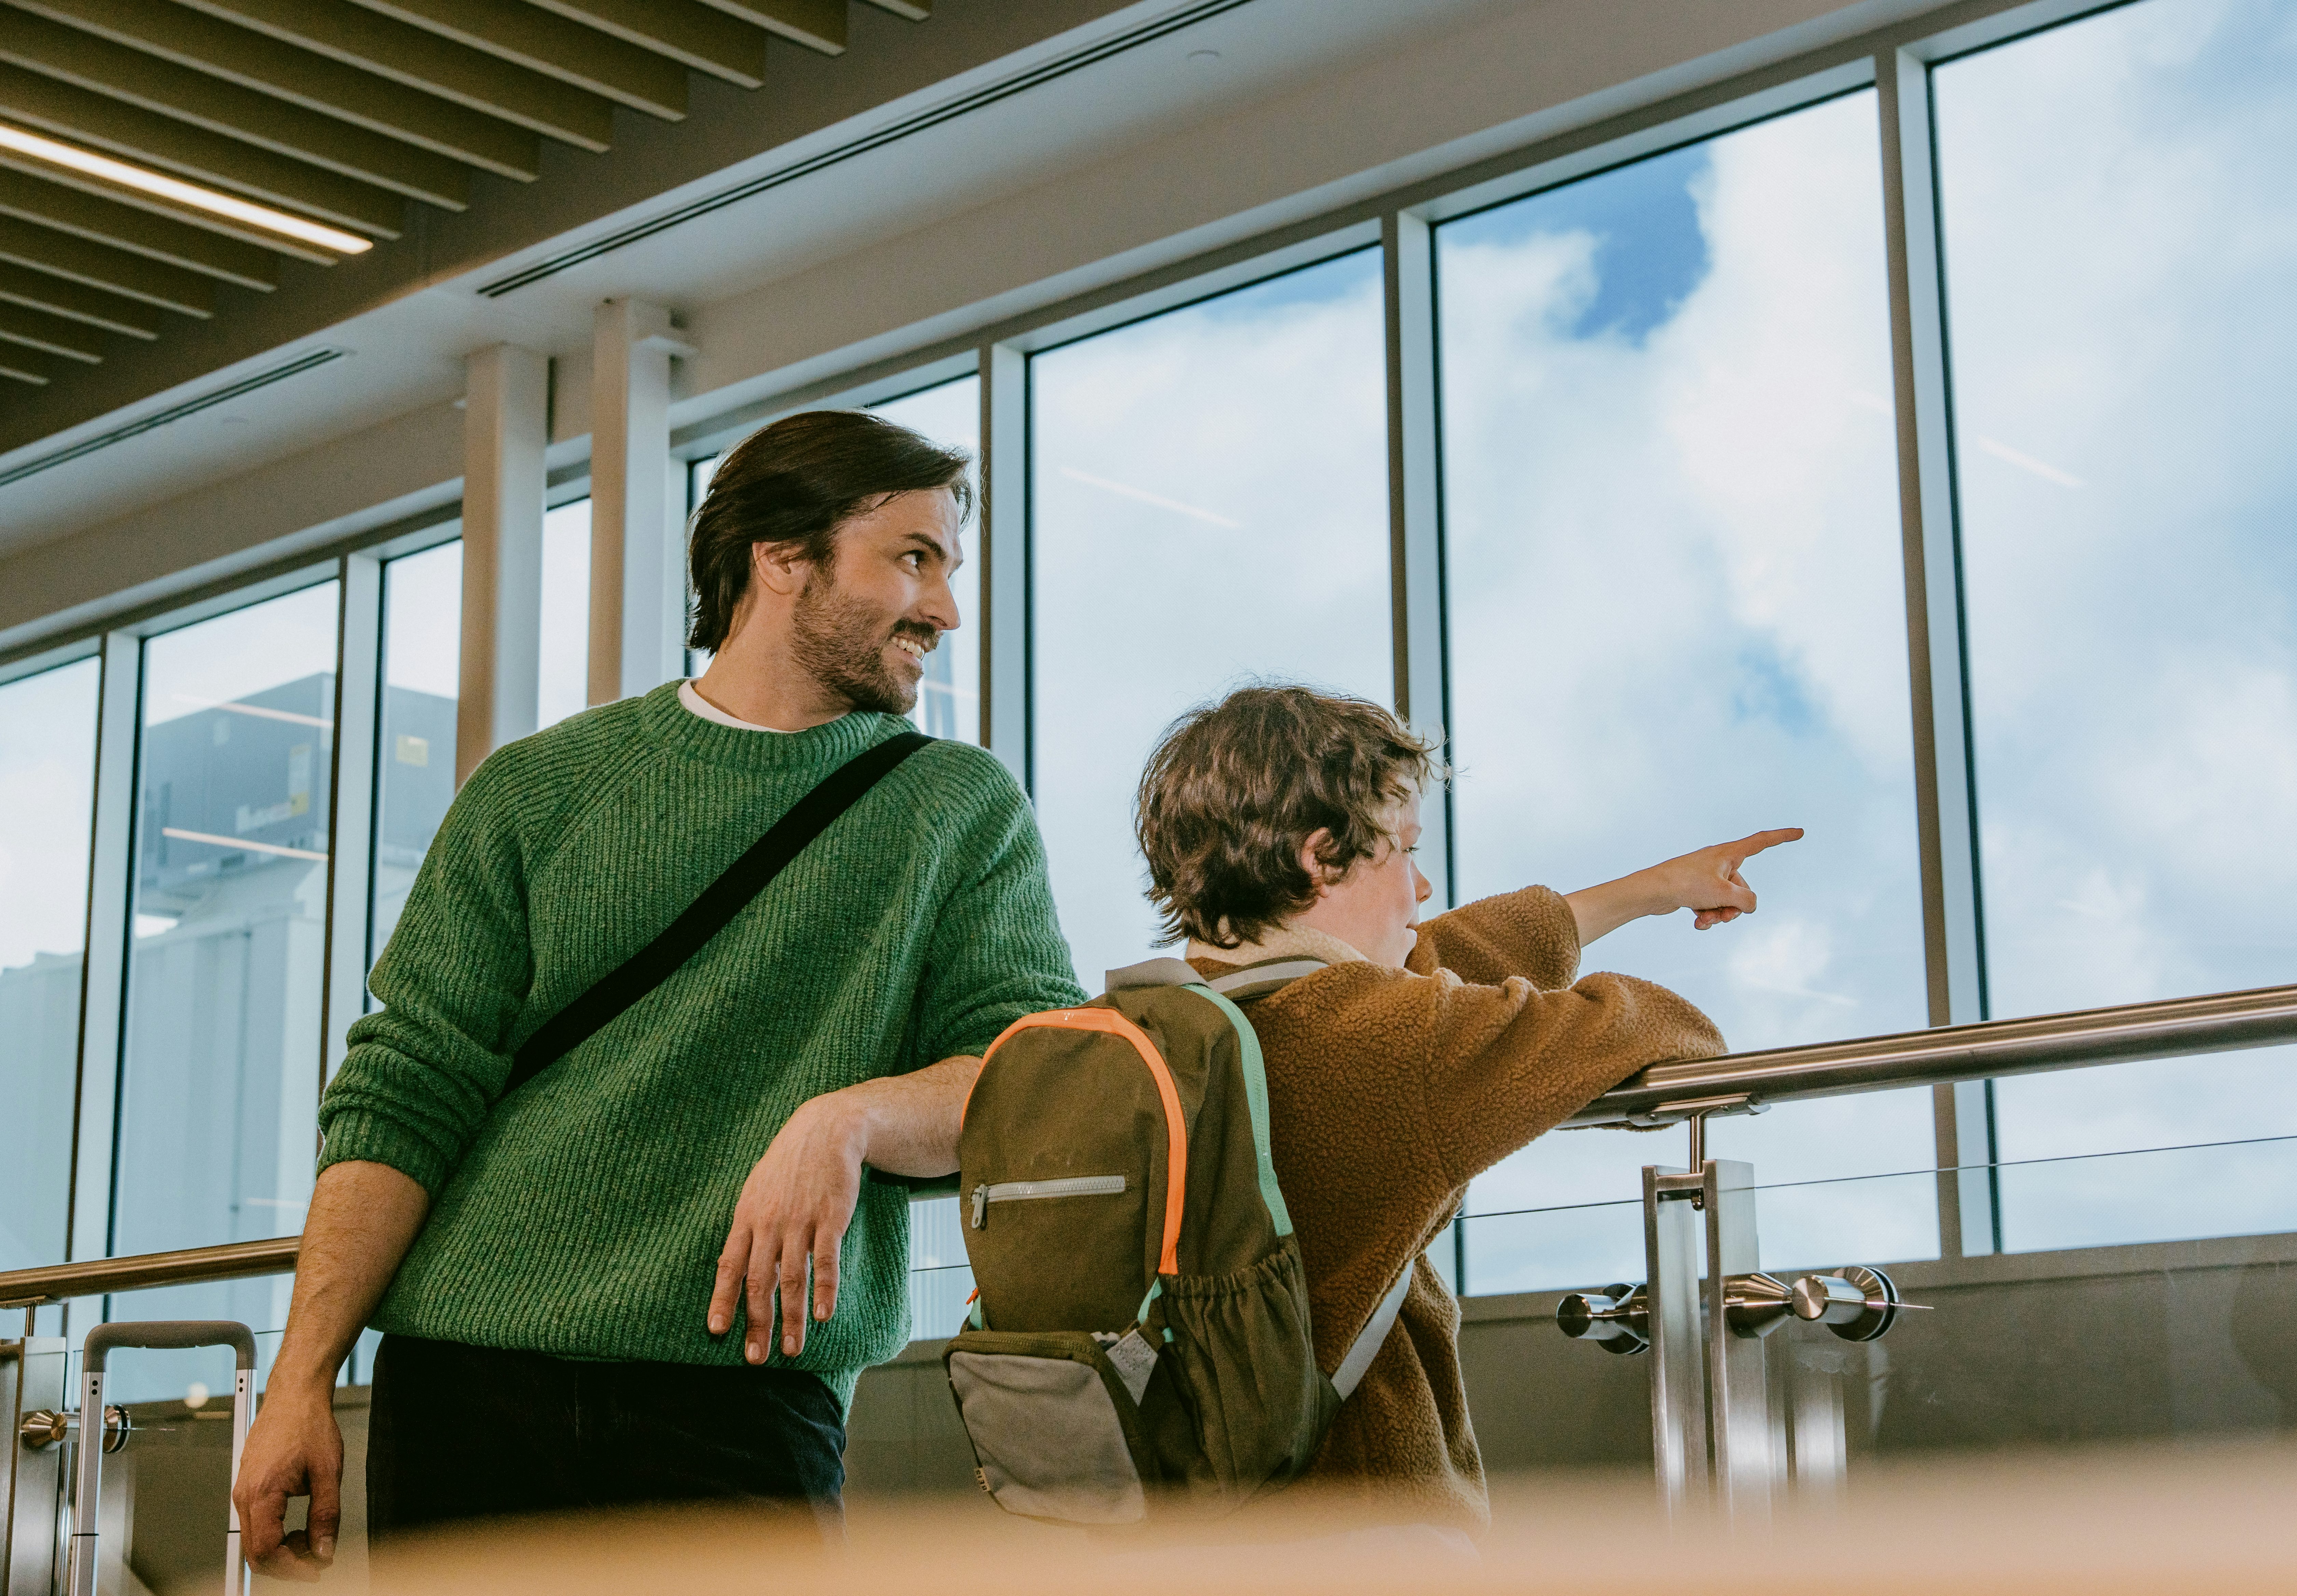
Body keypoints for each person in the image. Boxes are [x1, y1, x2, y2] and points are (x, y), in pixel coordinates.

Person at [232, 411, 1082, 1575]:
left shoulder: (956, 808)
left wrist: (850, 1117)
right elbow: (404, 1089)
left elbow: (1023, 1073)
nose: (943, 609)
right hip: (465, 1388)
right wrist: (298, 1383)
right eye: (912, 557)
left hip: (738, 1409)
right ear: (780, 558)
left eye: (946, 567)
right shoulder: (538, 789)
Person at [1134, 683, 1799, 1537]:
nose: (1422, 884)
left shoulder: (1168, 1019)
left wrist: (1653, 888)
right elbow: (1668, 1029)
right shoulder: (1391, 1046)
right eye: (1402, 849)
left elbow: (1438, 953)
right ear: (1316, 857)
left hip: (1181, 1532)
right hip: (1367, 1536)